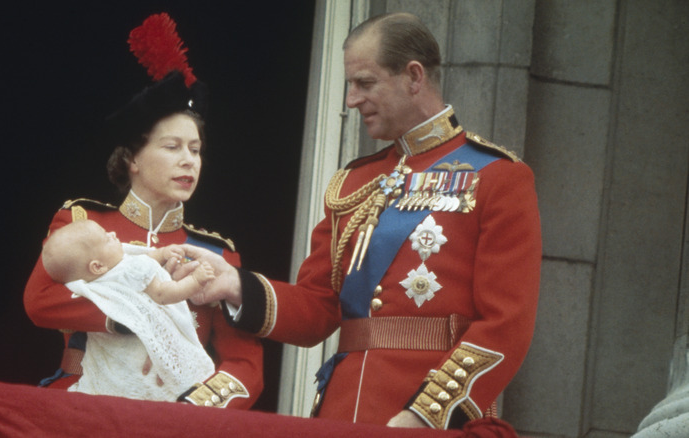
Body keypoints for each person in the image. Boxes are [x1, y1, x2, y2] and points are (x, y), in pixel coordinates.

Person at [178, 12, 541, 429]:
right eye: (350, 85)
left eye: (365, 83)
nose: (351, 100)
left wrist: (425, 415)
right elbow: (317, 310)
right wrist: (233, 285)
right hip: (341, 413)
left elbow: (505, 325)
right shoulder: (356, 180)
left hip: (432, 418)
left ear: (414, 77)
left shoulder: (497, 177)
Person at [24, 12, 263, 409]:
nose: (189, 161)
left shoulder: (217, 253)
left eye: (196, 149)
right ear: (132, 158)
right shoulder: (82, 222)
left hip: (176, 417)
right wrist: (126, 318)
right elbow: (40, 301)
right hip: (84, 404)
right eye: (172, 147)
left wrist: (193, 410)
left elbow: (244, 363)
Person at [41, 219, 217, 401]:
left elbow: (136, 263)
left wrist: (163, 253)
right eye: (107, 238)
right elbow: (162, 294)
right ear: (97, 266)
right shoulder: (133, 269)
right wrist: (196, 280)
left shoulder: (83, 283)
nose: (113, 234)